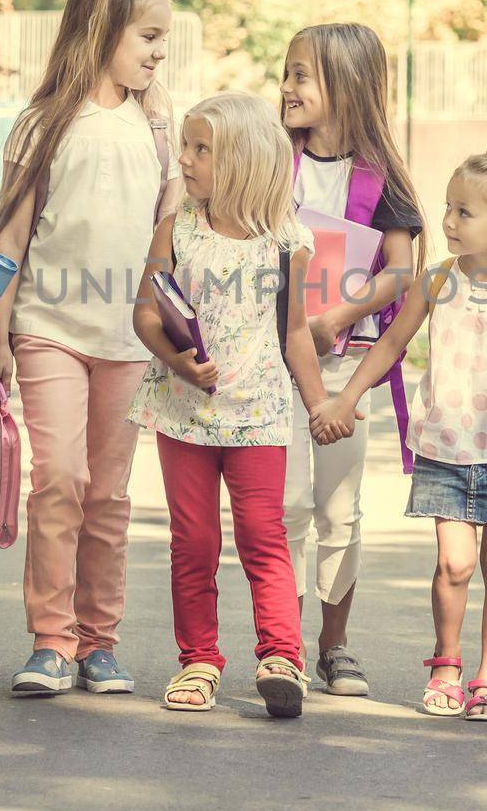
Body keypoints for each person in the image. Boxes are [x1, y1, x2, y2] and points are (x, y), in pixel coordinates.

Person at [314, 150, 487, 721]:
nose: (449, 221)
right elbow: (388, 346)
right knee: (454, 566)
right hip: (446, 451)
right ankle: (448, 663)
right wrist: (346, 397)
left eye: (464, 212)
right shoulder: (436, 282)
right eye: (448, 209)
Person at [0, 0, 180, 698]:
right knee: (58, 479)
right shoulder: (44, 122)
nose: (160, 52)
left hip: (128, 339)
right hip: (48, 328)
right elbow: (11, 236)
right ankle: (51, 640)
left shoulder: (161, 127)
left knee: (110, 494)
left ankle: (100, 641)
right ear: (102, 30)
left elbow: (170, 233)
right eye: (149, 36)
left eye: (165, 38)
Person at [129, 91, 349, 718]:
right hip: (183, 412)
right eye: (188, 147)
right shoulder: (175, 229)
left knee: (263, 537)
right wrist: (177, 362)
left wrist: (318, 404)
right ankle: (198, 661)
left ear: (246, 162)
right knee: (192, 540)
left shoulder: (288, 242)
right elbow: (147, 314)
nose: (187, 161)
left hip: (259, 416)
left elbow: (295, 331)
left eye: (203, 150)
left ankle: (282, 657)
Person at [278, 23, 423, 695]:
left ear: (346, 87)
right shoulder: (274, 162)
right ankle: (283, 644)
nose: (287, 87)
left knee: (339, 508)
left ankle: (334, 644)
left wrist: (339, 315)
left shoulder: (381, 176)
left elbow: (399, 272)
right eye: (287, 72)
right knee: (285, 507)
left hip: (347, 364)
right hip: (276, 365)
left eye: (302, 75)